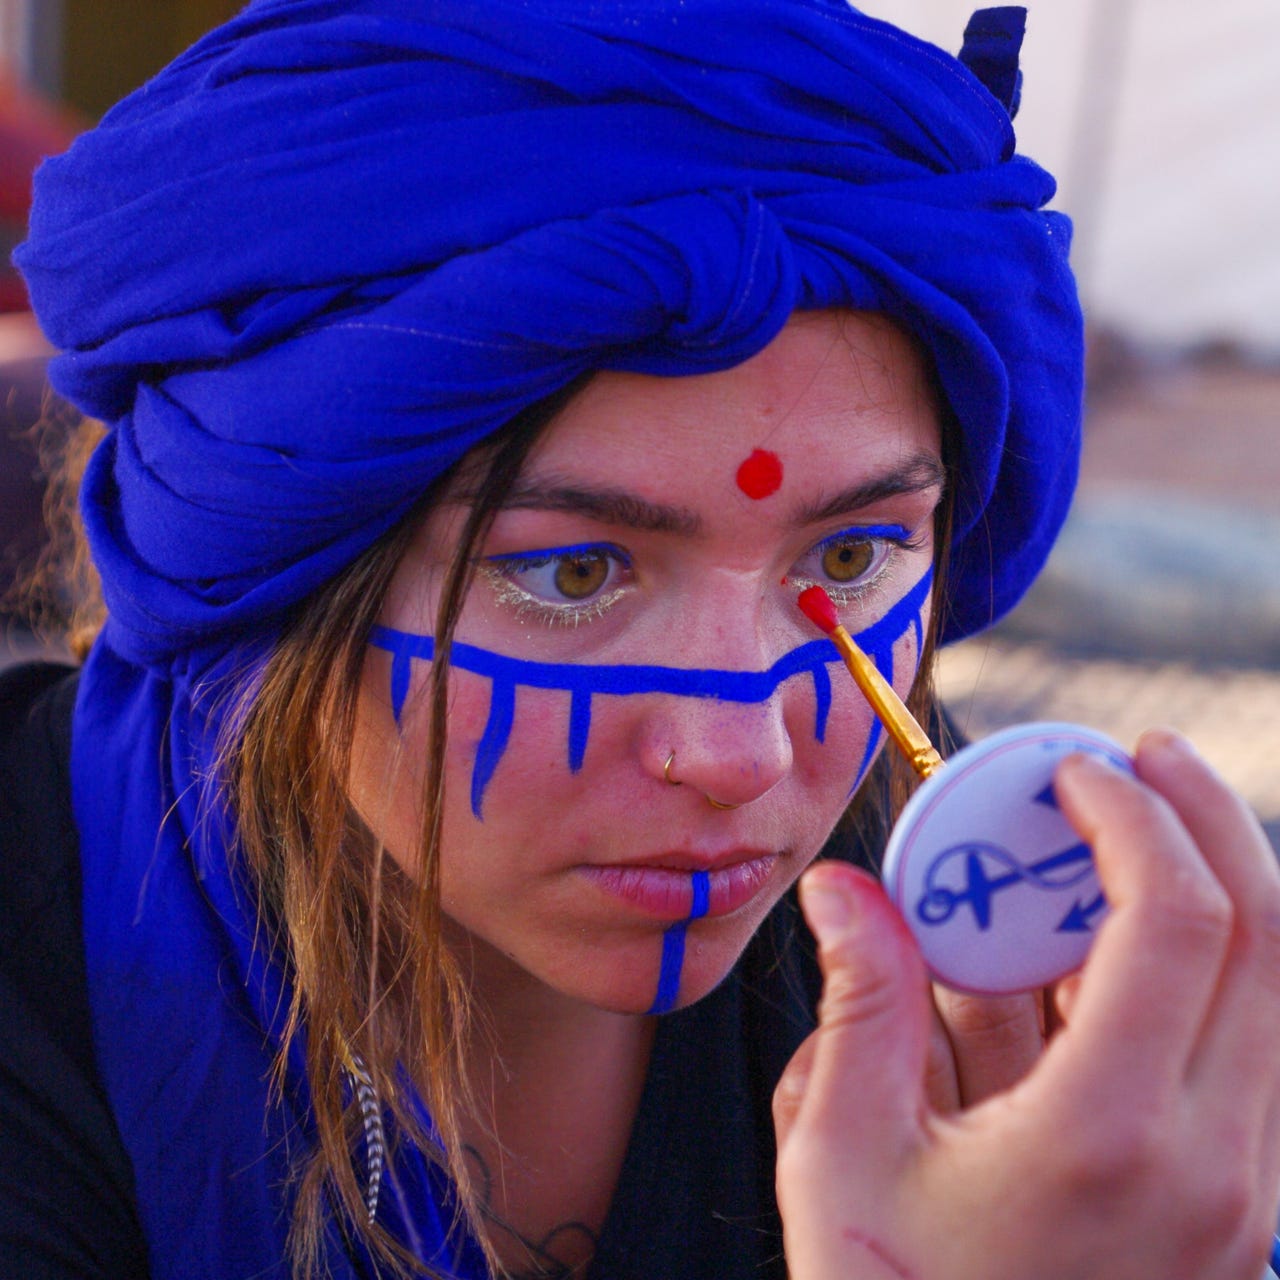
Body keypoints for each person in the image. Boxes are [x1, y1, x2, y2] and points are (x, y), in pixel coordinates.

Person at [3, 2, 1277, 1278]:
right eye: (569, 570)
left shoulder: (977, 910)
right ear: (277, 561)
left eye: (846, 558)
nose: (739, 754)